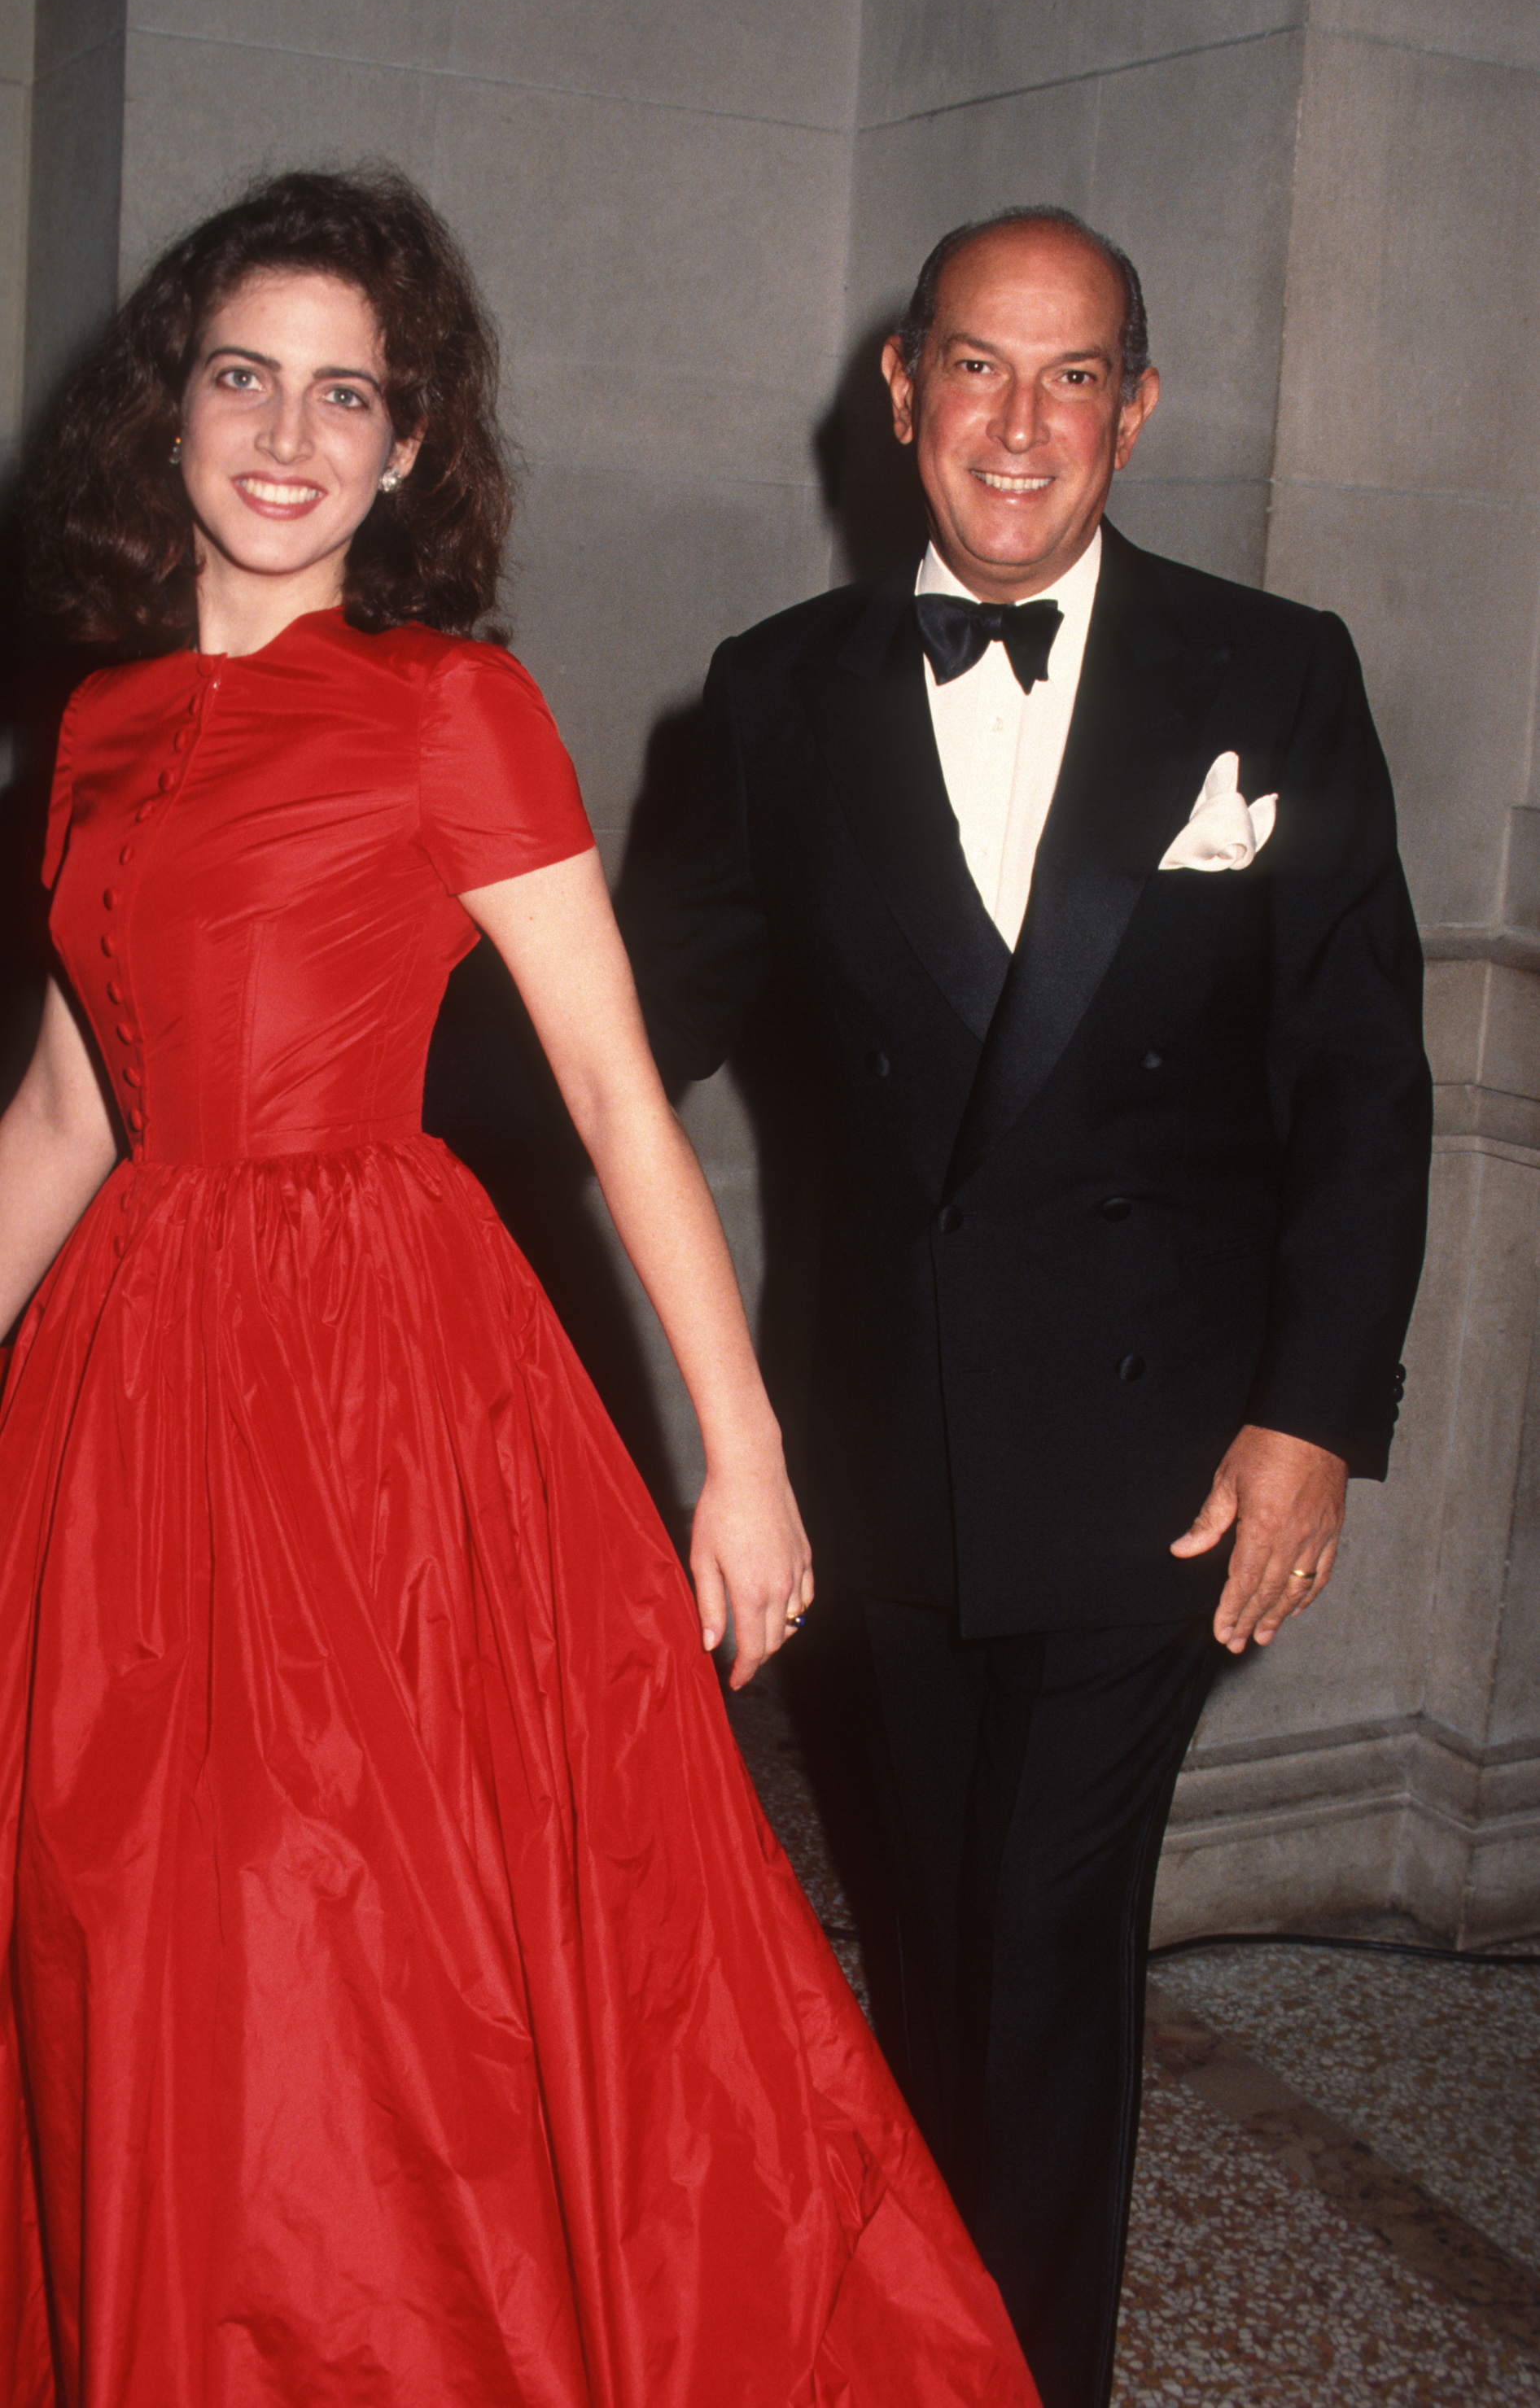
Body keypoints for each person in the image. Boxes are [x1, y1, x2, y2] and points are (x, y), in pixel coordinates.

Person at [0, 168, 1040, 2407]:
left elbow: (611, 1091)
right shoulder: (92, 725)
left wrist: (742, 1463)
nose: (288, 434)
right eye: (243, 377)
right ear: (168, 410)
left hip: (369, 1377)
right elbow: (67, 1118)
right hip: (126, 1382)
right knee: (119, 1909)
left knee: (347, 1922)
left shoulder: (446, 707)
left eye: (345, 395)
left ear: (407, 448)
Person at [618, 206, 1433, 2408]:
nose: (1018, 424)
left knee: (1045, 1951)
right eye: (976, 365)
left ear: (1133, 410)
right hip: (876, 1462)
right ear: (900, 390)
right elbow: (627, 1039)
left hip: (1157, 1458)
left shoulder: (1272, 673)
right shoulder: (774, 692)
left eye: (1072, 377)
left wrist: (1311, 1417)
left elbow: (1360, 1078)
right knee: (927, 1951)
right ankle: (920, 2342)